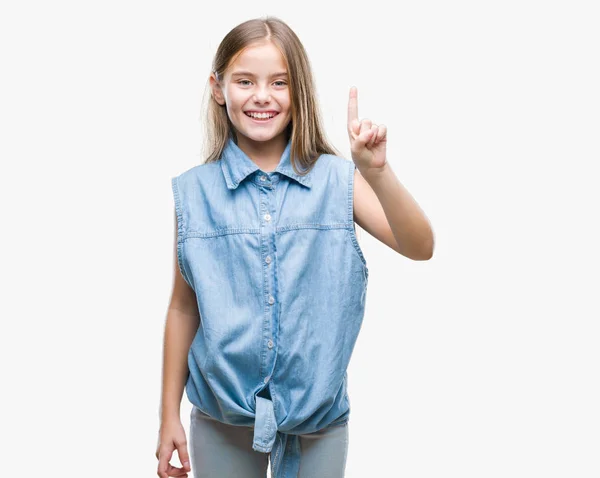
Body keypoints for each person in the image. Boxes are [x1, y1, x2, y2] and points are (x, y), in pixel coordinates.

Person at [156, 15, 434, 478]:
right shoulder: (193, 192)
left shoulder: (338, 180)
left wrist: (377, 172)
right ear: (219, 87)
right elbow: (184, 308)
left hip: (317, 421)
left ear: (297, 91)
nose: (262, 96)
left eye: (279, 83)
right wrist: (168, 414)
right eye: (245, 81)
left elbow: (419, 246)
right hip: (223, 419)